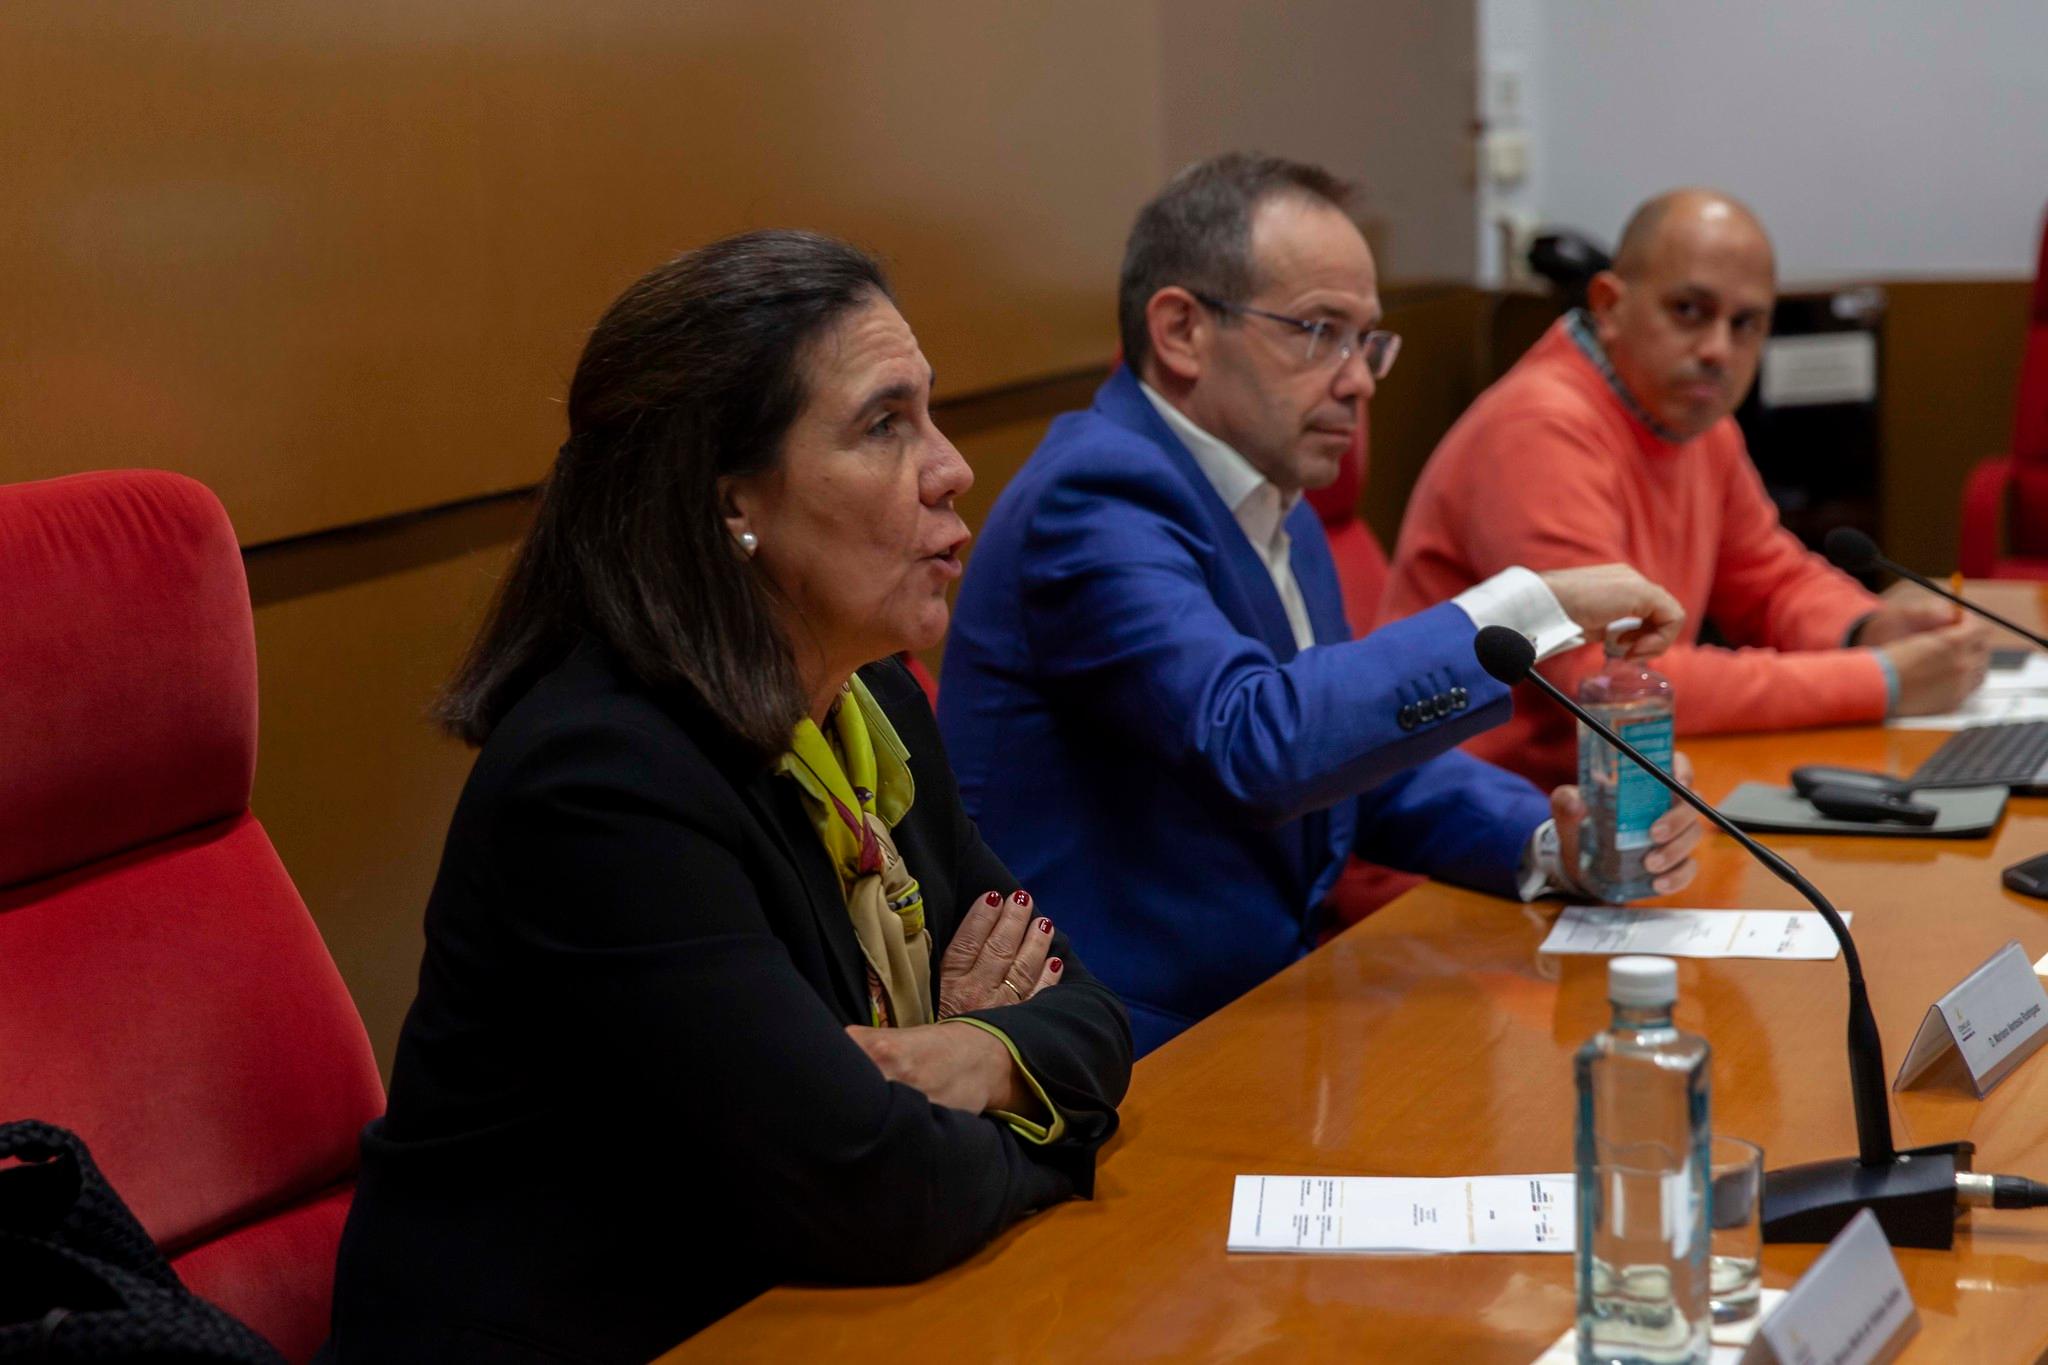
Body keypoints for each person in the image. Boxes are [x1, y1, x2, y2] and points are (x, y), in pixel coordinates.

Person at [321, 231, 1132, 1364]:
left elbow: (1093, 1016)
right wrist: (1045, 1125)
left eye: (930, 414)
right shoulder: (603, 783)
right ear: (727, 505)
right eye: (883, 424)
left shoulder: (872, 707)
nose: (950, 468)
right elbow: (875, 1188)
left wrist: (978, 1057)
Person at [937, 153, 1702, 1055]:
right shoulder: (1096, 500)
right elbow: (1256, 739)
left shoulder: (1276, 504)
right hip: (1114, 1047)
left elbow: (1355, 767)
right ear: (1181, 331)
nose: (1359, 379)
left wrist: (1550, 845)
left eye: (1368, 340)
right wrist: (1533, 605)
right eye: (1319, 331)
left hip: (1266, 1020)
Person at [1380, 188, 1990, 787]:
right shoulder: (1539, 428)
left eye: (1746, 323)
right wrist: (1877, 681)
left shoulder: (1696, 424)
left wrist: (1867, 629)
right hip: (1482, 827)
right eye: (1689, 312)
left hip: (1618, 796)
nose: (1718, 351)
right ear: (1609, 303)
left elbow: (1769, 582)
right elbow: (1608, 680)